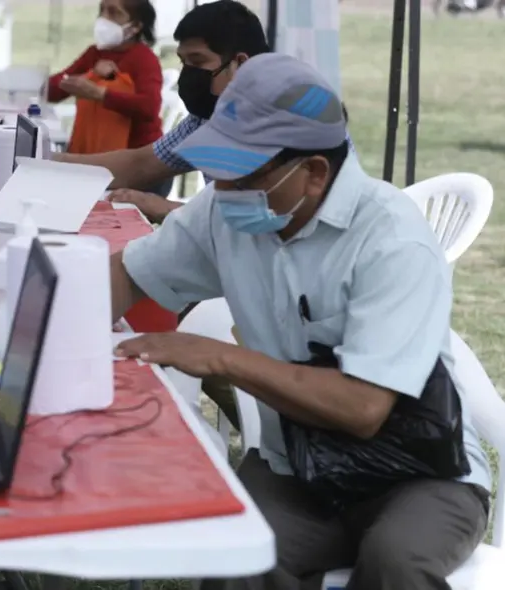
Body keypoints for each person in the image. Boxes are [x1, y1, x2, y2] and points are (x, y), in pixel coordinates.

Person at [111, 53, 490, 590]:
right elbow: (128, 275)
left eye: (242, 174)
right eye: (217, 171)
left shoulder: (392, 239)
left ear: (313, 173)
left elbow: (363, 408)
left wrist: (221, 358)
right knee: (234, 554)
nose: (221, 190)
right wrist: (47, 325)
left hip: (420, 474)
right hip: (296, 467)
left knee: (396, 562)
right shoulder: (226, 211)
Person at [56, 0, 270, 223]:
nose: (188, 74)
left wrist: (165, 208)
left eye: (198, 61)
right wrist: (54, 161)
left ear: (239, 64)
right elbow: (140, 164)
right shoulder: (205, 119)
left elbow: (259, 221)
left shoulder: (272, 125)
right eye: (184, 62)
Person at [47, 0, 162, 159]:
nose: (103, 18)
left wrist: (100, 94)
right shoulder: (94, 54)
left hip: (137, 157)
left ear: (135, 26)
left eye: (114, 13)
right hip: (96, 153)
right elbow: (51, 91)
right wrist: (89, 76)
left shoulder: (144, 59)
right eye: (102, 10)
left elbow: (149, 107)